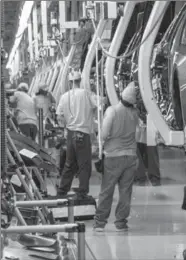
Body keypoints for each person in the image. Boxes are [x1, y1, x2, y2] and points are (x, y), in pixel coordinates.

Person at [93, 82, 140, 232]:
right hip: (131, 157)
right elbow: (138, 133)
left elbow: (104, 133)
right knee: (126, 191)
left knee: (107, 190)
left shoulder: (112, 111)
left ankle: (100, 223)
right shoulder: (135, 113)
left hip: (113, 157)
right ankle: (121, 223)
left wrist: (100, 143)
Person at [55, 71, 102, 199]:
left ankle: (62, 191)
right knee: (84, 164)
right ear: (80, 81)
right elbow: (100, 104)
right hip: (83, 133)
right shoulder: (86, 94)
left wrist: (65, 127)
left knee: (70, 163)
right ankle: (82, 192)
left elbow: (59, 115)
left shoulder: (64, 96)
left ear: (70, 83)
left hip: (70, 134)